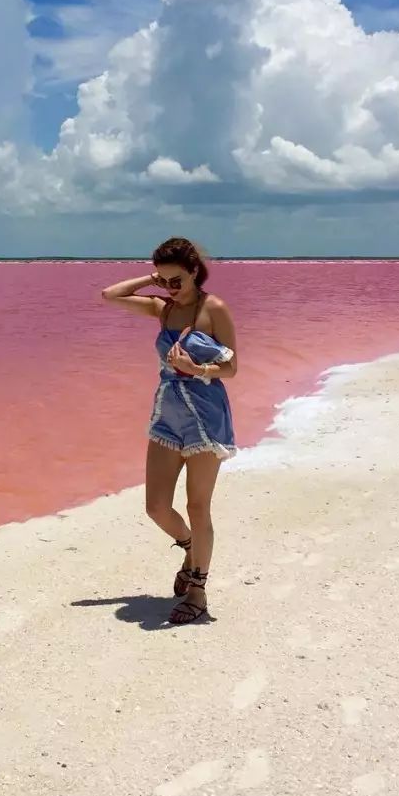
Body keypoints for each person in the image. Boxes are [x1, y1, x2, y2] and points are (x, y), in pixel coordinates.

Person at [101, 237, 237, 624]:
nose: (171, 288)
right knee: (156, 506)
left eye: (177, 280)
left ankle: (198, 591)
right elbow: (110, 295)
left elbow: (231, 367)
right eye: (165, 281)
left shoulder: (214, 310)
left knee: (198, 506)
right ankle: (191, 549)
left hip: (207, 416)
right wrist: (152, 279)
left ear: (195, 272)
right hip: (168, 414)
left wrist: (198, 370)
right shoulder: (163, 309)